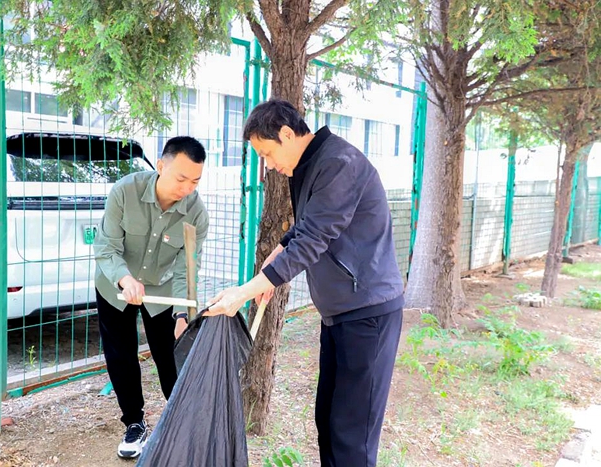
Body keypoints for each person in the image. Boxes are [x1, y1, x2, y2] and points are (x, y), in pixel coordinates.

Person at [205, 99, 404, 467]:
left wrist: (245, 291)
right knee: (328, 421)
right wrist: (276, 254)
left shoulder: (337, 163)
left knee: (351, 434)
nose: (267, 165)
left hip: (368, 314)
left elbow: (315, 237)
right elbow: (306, 225)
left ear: (286, 134)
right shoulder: (312, 164)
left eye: (266, 153)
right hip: (342, 314)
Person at [93, 136, 209, 459]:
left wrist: (183, 315)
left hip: (161, 290)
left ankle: (182, 421)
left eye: (195, 181)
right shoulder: (124, 192)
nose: (187, 188)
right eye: (180, 178)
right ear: (161, 166)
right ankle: (134, 423)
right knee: (121, 355)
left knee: (169, 356)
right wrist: (124, 278)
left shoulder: (196, 213)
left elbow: (188, 268)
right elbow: (105, 247)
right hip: (115, 284)